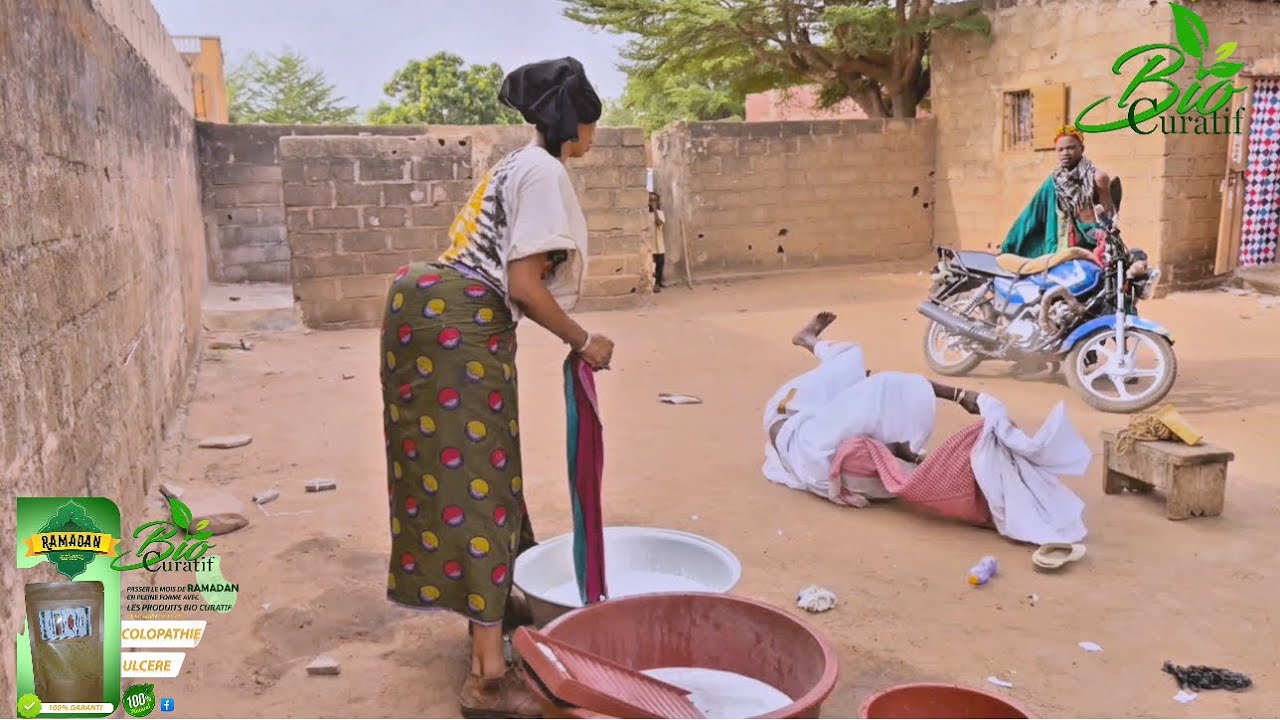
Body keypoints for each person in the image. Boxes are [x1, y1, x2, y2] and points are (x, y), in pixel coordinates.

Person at [378, 56, 614, 719]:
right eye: (594, 120)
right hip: (459, 318)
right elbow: (523, 284)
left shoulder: (515, 163)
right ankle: (487, 675)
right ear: (576, 120)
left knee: (475, 472)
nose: (597, 132)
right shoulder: (543, 170)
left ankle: (503, 605)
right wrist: (582, 340)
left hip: (429, 306)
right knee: (479, 477)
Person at [762, 312, 980, 505]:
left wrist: (959, 396)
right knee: (858, 372)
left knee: (852, 363)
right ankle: (809, 341)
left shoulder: (848, 427)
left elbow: (891, 385)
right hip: (805, 448)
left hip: (797, 433)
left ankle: (809, 340)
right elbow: (893, 386)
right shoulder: (869, 437)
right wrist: (959, 396)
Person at [1001, 125, 1115, 259]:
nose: (1065, 153)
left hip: (1089, 251)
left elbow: (1108, 218)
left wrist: (1099, 234)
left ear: (1082, 149)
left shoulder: (1097, 178)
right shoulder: (1053, 182)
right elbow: (1029, 216)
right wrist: (1008, 245)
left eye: (1071, 148)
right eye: (1060, 150)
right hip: (1058, 252)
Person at [649, 191, 667, 292]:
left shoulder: (660, 213)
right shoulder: (645, 214)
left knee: (660, 264)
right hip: (650, 244)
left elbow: (658, 223)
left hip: (659, 244)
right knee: (651, 265)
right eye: (650, 200)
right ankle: (651, 284)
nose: (652, 202)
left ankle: (658, 283)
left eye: (654, 200)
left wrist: (655, 210)